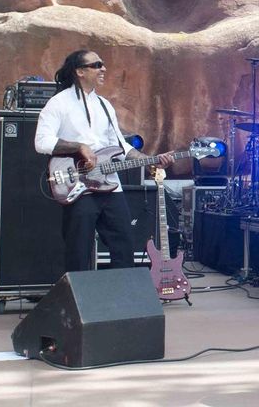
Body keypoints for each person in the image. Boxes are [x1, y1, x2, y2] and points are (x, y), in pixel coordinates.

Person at [35, 49, 175, 274]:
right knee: (78, 249)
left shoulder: (104, 105)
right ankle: (78, 301)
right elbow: (41, 142)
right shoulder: (58, 103)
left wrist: (151, 160)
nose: (103, 69)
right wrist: (79, 146)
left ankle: (121, 301)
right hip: (79, 186)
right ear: (80, 71)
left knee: (124, 244)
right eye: (97, 65)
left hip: (110, 185)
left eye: (102, 64)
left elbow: (120, 147)